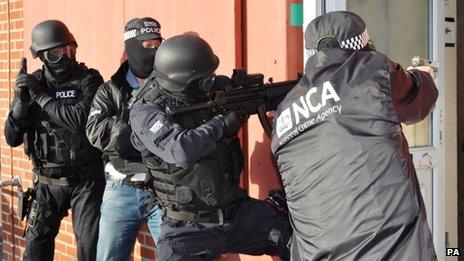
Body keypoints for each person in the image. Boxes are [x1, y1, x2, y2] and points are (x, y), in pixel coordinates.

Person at [271, 11, 438, 260]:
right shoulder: (371, 72)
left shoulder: (284, 112)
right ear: (361, 43)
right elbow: (418, 101)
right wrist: (424, 73)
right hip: (390, 250)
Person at [129, 34, 292, 261]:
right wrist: (221, 124)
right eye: (206, 80)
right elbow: (181, 150)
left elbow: (258, 96)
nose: (212, 81)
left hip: (236, 215)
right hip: (188, 229)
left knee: (293, 240)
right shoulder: (145, 111)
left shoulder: (211, 91)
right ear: (185, 82)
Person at [4, 20, 105, 260]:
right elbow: (12, 138)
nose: (65, 57)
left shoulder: (88, 80)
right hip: (47, 181)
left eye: (69, 49)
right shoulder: (33, 83)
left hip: (86, 180)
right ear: (42, 56)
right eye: (56, 53)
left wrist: (39, 96)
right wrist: (20, 104)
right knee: (36, 248)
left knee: (90, 249)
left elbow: (79, 120)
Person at [85, 17, 163, 260]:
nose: (154, 51)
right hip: (121, 189)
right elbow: (96, 132)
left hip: (163, 188)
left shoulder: (171, 84)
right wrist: (141, 128)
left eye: (157, 44)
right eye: (147, 45)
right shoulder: (110, 90)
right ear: (131, 47)